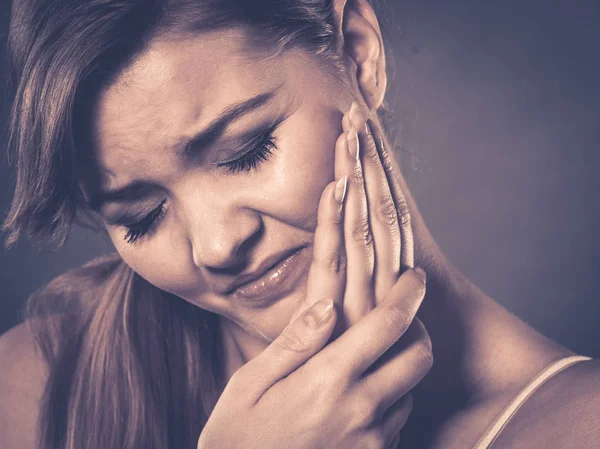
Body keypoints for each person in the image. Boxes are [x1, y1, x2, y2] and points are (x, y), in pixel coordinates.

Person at [0, 0, 598, 448]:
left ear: (357, 54)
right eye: (140, 216)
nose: (215, 246)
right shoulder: (35, 388)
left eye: (246, 150)